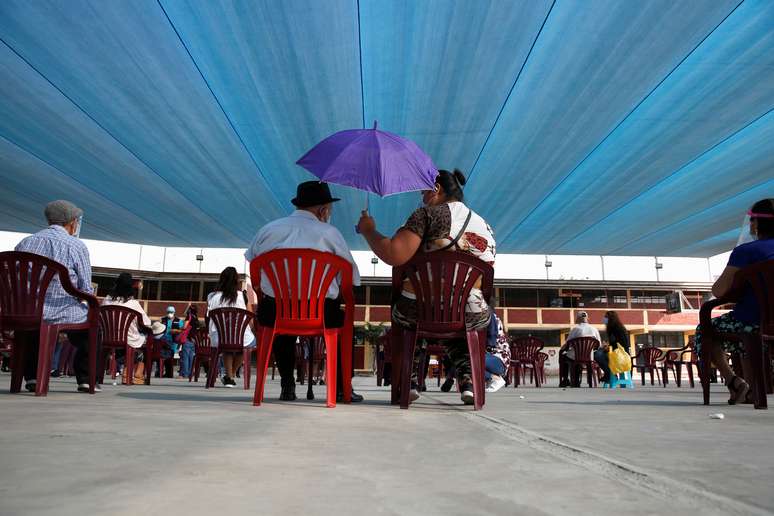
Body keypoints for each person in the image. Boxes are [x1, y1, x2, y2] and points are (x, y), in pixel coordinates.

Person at [357, 169, 496, 405]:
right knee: (453, 318)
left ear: (436, 189)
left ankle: (409, 381)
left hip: (419, 310)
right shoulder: (484, 225)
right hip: (474, 312)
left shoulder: (428, 214)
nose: (422, 198)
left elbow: (394, 253)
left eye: (423, 192)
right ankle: (469, 381)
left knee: (413, 314)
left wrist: (369, 230)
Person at [245, 180, 363, 402]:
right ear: (322, 210)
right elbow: (351, 278)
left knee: (281, 322)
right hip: (321, 313)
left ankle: (287, 384)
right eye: (329, 210)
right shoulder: (330, 233)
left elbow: (253, 264)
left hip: (275, 311)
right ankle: (339, 388)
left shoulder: (268, 230)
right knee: (339, 320)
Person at [694, 199, 774, 405]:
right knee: (747, 336)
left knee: (704, 330)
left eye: (752, 221)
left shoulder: (746, 252)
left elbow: (719, 291)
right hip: (764, 326)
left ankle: (734, 382)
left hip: (753, 322)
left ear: (756, 224)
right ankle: (752, 390)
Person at [14, 200, 98, 393]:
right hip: (64, 310)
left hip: (28, 310)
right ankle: (85, 378)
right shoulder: (76, 246)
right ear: (72, 222)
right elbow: (85, 287)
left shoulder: (26, 242)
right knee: (93, 329)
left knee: (35, 327)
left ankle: (32, 376)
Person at [206, 267, 255, 388]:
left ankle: (229, 376)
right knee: (248, 344)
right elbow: (251, 320)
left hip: (218, 338)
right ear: (236, 281)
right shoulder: (243, 296)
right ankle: (231, 374)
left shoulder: (211, 296)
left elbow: (208, 316)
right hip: (241, 338)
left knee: (227, 346)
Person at [101, 272, 152, 384]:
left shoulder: (106, 301)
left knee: (126, 346)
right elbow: (147, 323)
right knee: (146, 345)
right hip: (128, 339)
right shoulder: (133, 303)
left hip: (107, 339)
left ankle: (103, 376)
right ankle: (136, 376)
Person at [560, 311, 601, 387]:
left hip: (575, 357)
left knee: (563, 355)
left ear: (578, 318)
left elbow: (567, 344)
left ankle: (565, 379)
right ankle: (587, 381)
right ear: (587, 318)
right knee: (575, 358)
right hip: (589, 356)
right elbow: (598, 345)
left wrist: (563, 349)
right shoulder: (594, 329)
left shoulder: (575, 329)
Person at [594, 311, 629, 384]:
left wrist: (609, 347)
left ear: (611, 319)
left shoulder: (618, 329)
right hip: (615, 351)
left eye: (606, 317)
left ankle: (609, 374)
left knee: (598, 355)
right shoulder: (611, 328)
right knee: (598, 353)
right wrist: (608, 346)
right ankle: (609, 374)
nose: (604, 319)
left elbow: (623, 344)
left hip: (621, 353)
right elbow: (613, 342)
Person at [484, 314, 510, 393]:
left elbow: (491, 342)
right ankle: (490, 377)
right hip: (488, 356)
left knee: (470, 361)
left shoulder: (489, 316)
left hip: (498, 358)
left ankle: (494, 378)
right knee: (462, 363)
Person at [157, 306, 183, 378]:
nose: (169, 314)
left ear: (174, 313)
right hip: (163, 340)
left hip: (173, 341)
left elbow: (182, 331)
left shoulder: (179, 321)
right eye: (168, 312)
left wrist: (176, 331)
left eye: (171, 312)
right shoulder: (163, 319)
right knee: (162, 355)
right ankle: (161, 372)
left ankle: (169, 372)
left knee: (169, 356)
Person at [177, 304, 200, 379]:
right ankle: (190, 373)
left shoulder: (189, 316)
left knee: (185, 357)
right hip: (194, 339)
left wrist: (180, 328)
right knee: (191, 357)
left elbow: (185, 326)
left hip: (187, 338)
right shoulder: (196, 317)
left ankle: (184, 373)